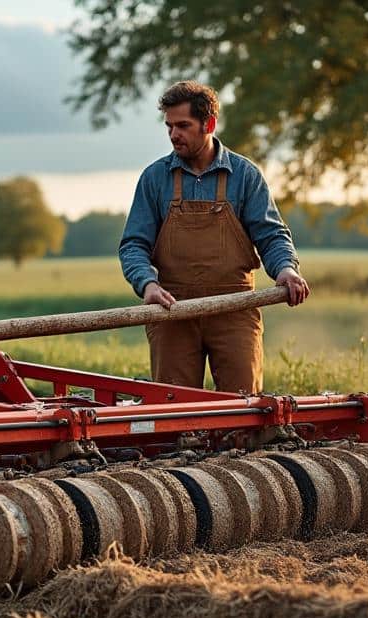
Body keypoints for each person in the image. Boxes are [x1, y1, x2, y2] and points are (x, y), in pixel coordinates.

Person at [119, 81, 308, 394]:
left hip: (234, 307)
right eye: (168, 126)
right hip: (172, 309)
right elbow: (133, 245)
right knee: (173, 412)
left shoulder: (245, 175)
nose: (173, 134)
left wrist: (286, 268)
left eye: (183, 126)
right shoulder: (154, 178)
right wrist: (147, 285)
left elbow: (272, 235)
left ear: (209, 124)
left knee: (243, 409)